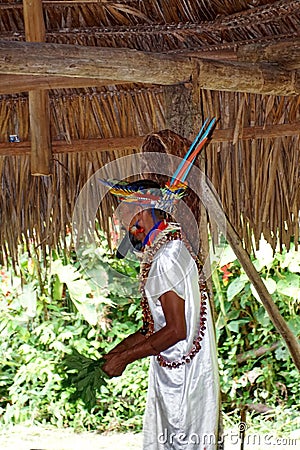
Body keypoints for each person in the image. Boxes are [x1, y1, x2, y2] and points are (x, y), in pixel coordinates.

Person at [102, 178, 220, 450]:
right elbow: (155, 327)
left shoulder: (168, 255)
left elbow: (176, 330)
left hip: (183, 384)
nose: (125, 230)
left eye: (125, 221)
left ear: (141, 213)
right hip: (175, 378)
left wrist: (126, 359)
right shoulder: (169, 249)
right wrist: (118, 352)